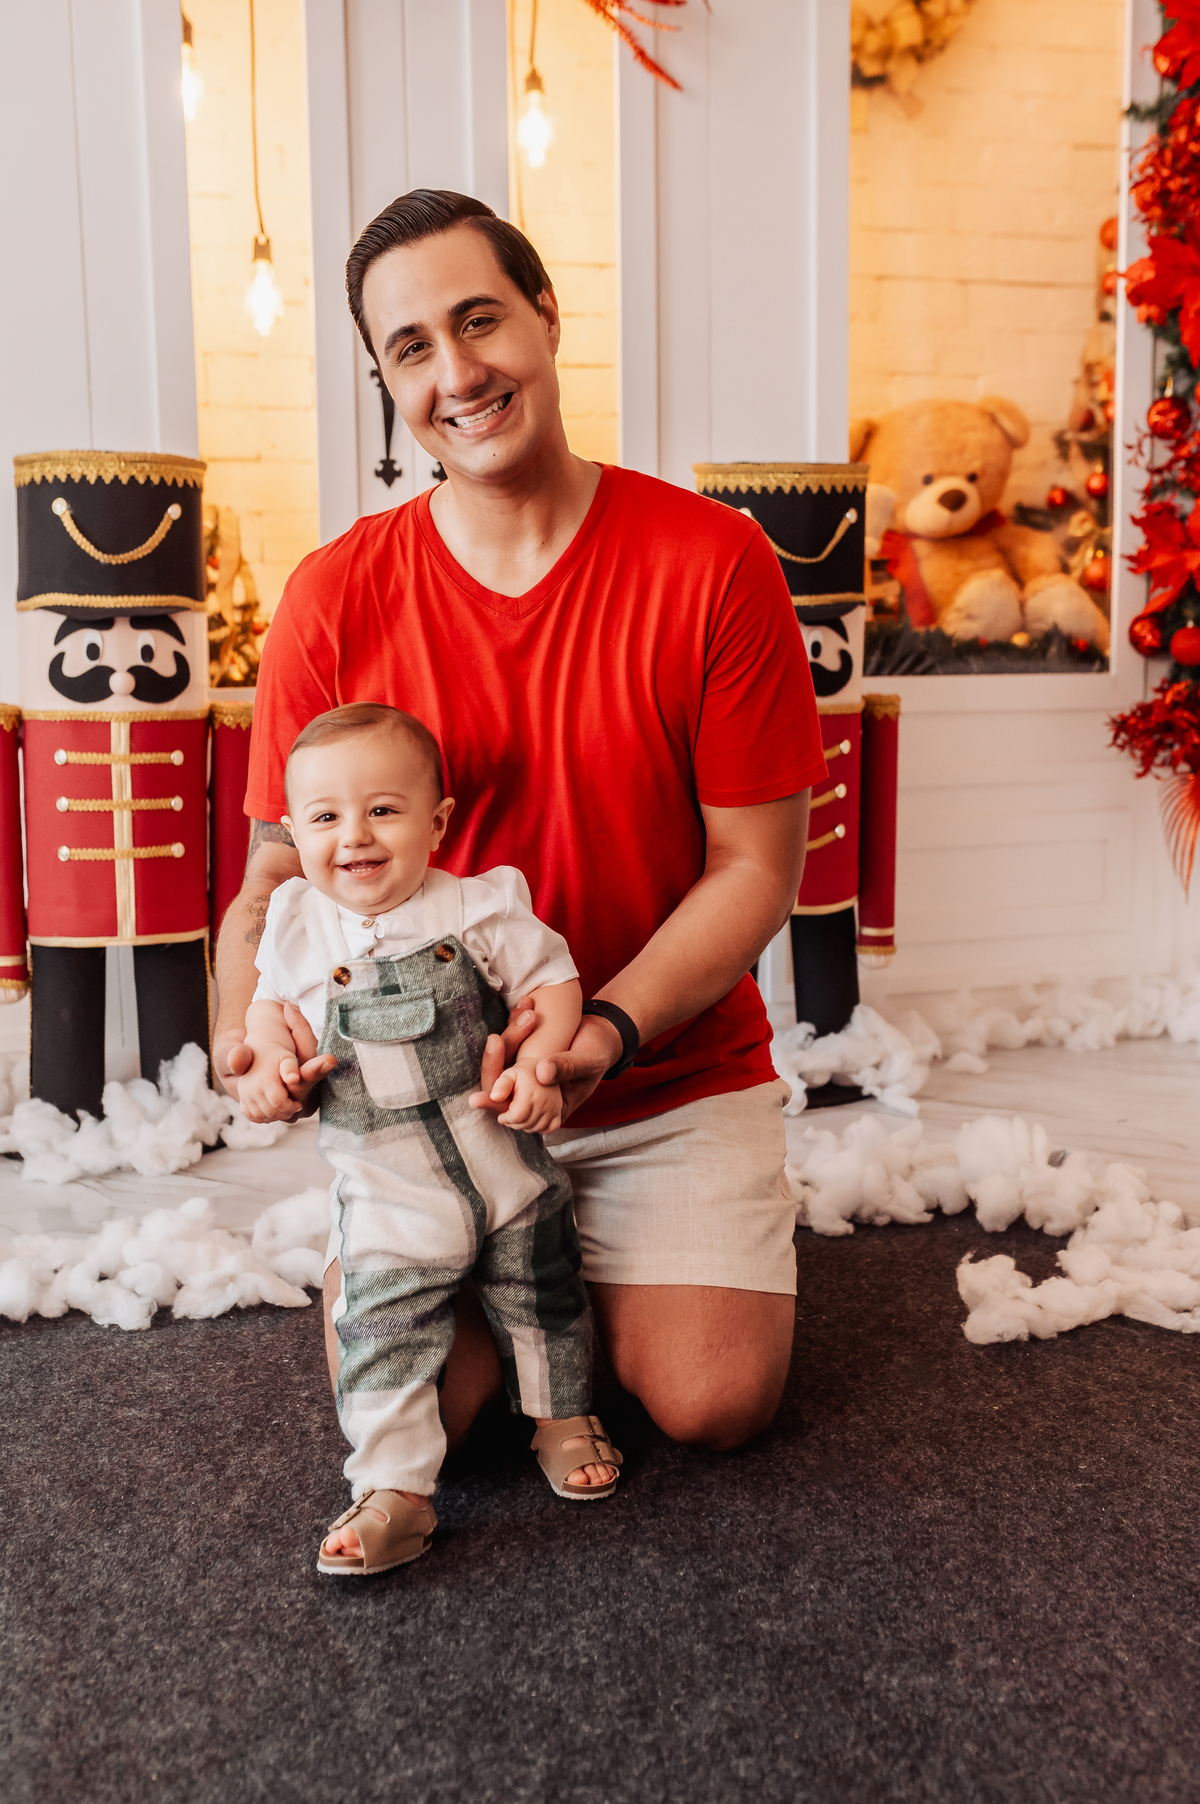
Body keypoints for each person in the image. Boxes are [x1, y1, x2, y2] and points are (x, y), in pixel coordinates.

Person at [212, 189, 825, 1537]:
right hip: (430, 1106)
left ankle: (604, 1270)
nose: (458, 372)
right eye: (411, 349)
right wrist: (243, 1038)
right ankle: (534, 1282)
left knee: (716, 1401)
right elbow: (272, 879)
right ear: (389, 385)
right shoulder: (334, 594)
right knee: (441, 1419)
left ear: (546, 316)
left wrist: (602, 1029)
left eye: (479, 320)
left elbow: (753, 869)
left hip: (661, 1074)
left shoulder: (715, 561)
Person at [240, 702, 620, 1577]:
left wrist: (542, 1063)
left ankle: (560, 1418)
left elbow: (553, 984)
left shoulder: (478, 907)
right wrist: (265, 1066)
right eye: (325, 818)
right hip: (389, 1190)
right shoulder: (298, 923)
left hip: (501, 1160)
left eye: (383, 810)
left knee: (544, 1288)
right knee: (382, 1330)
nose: (355, 836)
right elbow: (269, 1013)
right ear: (294, 831)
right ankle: (395, 1491)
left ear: (437, 821)